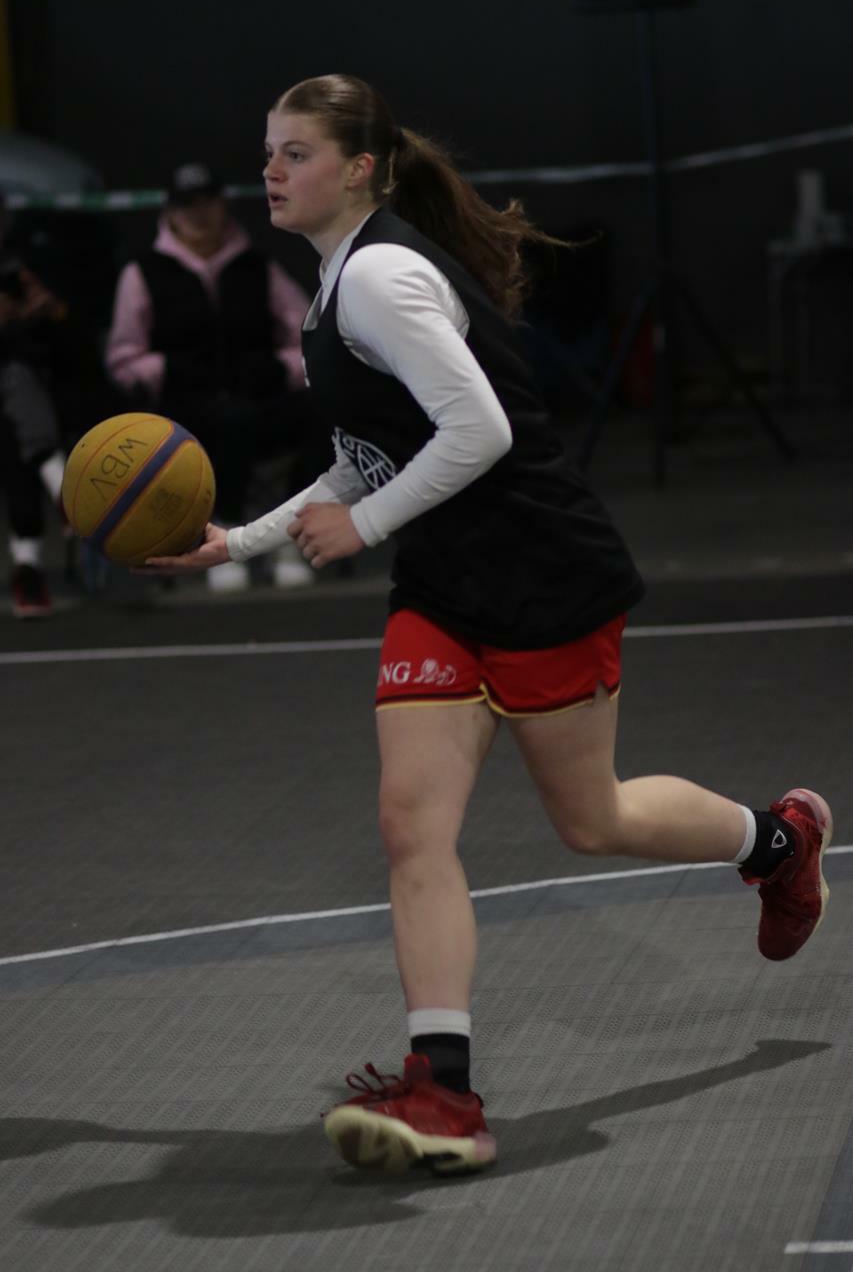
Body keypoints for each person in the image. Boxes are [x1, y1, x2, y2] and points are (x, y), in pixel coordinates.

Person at [143, 75, 833, 1177]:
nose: (269, 170)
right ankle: (444, 1091)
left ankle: (779, 842)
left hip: (541, 571)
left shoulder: (380, 277)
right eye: (266, 149)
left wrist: (364, 524)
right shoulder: (334, 281)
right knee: (410, 825)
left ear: (359, 169)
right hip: (442, 588)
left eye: (295, 152)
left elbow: (480, 430)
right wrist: (238, 542)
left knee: (593, 820)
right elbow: (365, 454)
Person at [106, 162, 318, 592]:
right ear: (170, 211)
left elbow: (308, 337)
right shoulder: (142, 272)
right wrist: (166, 369)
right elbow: (123, 357)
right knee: (228, 423)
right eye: (188, 205)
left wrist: (279, 367)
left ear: (224, 206)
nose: (199, 214)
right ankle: (226, 535)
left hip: (257, 394)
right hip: (183, 407)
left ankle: (289, 530)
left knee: (322, 415)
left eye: (207, 202)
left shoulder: (258, 266)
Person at [0, 195, 69, 618]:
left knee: (15, 441)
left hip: (26, 389)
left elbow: (72, 340)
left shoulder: (25, 263)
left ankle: (27, 567)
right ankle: (68, 493)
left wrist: (49, 311)